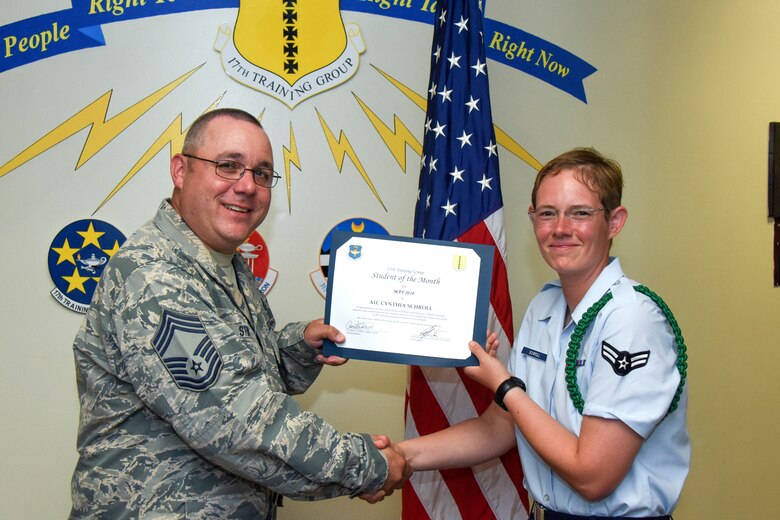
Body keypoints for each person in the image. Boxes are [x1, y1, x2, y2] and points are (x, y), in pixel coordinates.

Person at [70, 108, 410, 519]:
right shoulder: (155, 276)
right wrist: (368, 466)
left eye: (262, 174)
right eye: (228, 166)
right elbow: (238, 424)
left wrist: (299, 346)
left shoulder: (220, 263)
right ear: (181, 170)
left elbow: (241, 373)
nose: (247, 186)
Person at [391, 148, 690, 519]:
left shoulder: (631, 318)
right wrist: (402, 455)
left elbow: (593, 476)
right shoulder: (544, 308)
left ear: (614, 222)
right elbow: (498, 428)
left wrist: (504, 386)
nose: (560, 228)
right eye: (547, 213)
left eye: (580, 213)